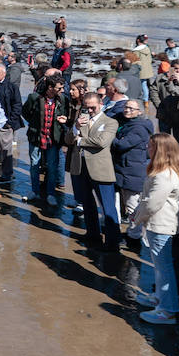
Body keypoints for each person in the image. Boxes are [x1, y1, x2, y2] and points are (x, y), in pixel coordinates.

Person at [132, 134, 179, 324]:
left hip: (161, 225)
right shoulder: (173, 170)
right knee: (161, 266)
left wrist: (136, 218)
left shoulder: (164, 175)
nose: (147, 149)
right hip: (165, 224)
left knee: (164, 268)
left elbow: (151, 204)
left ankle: (168, 310)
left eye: (150, 147)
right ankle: (160, 298)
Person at [67, 90, 119, 251]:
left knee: (107, 207)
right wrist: (75, 128)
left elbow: (101, 142)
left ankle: (112, 242)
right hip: (81, 168)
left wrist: (80, 140)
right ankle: (92, 234)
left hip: (101, 169)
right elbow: (68, 140)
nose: (89, 111)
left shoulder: (110, 122)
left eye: (92, 108)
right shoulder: (81, 120)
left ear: (101, 105)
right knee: (87, 204)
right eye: (86, 107)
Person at [111, 100, 154, 251]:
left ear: (140, 112)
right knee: (119, 205)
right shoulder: (126, 122)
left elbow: (122, 145)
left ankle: (134, 237)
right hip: (122, 170)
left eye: (131, 108)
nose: (127, 110)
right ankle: (123, 234)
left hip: (132, 172)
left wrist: (109, 136)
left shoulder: (139, 128)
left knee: (133, 207)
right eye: (126, 107)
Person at [21, 75, 68, 205]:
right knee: (34, 165)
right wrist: (35, 124)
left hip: (53, 139)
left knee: (52, 167)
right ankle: (34, 191)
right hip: (36, 137)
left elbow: (65, 115)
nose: (62, 90)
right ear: (50, 88)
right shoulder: (34, 98)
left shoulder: (63, 99)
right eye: (60, 88)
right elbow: (25, 112)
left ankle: (50, 194)